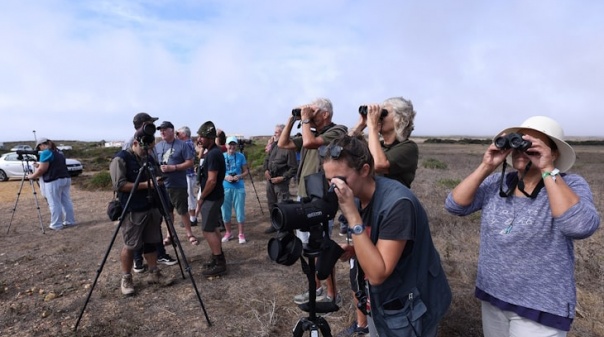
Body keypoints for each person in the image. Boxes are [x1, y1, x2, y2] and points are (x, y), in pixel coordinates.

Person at [445, 116, 600, 337]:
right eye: (518, 143)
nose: (522, 150)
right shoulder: (499, 183)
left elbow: (580, 226)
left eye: (532, 145)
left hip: (541, 305)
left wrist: (547, 168)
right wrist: (487, 165)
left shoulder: (570, 184)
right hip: (494, 296)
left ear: (554, 153)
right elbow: (455, 206)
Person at [324, 135, 451, 337]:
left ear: (365, 170)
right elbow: (378, 246)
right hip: (381, 302)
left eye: (340, 179)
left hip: (411, 306)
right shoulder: (357, 197)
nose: (334, 187)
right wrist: (357, 251)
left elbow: (377, 274)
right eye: (329, 179)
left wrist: (352, 217)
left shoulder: (397, 204)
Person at [341, 96, 419, 335]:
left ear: (400, 119)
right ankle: (364, 324)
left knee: (384, 275)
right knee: (358, 272)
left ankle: (391, 323)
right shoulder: (377, 143)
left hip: (391, 220)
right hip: (365, 215)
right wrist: (362, 124)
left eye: (384, 112)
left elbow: (380, 164)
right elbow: (345, 150)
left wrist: (373, 128)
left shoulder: (407, 148)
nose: (378, 115)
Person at [278, 97, 347, 306]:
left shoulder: (336, 131)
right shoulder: (310, 132)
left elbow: (309, 143)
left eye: (314, 111)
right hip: (304, 195)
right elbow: (283, 143)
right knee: (307, 246)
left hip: (321, 199)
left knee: (322, 246)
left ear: (325, 114)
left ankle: (332, 294)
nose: (308, 114)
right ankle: (315, 288)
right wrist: (292, 118)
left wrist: (305, 120)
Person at [110, 133, 173, 295]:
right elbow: (119, 185)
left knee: (151, 242)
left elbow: (157, 173)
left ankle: (154, 273)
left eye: (151, 149)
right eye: (146, 149)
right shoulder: (121, 159)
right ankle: (126, 277)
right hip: (132, 209)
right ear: (136, 143)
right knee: (131, 245)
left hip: (151, 207)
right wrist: (146, 184)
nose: (149, 152)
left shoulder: (149, 159)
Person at [154, 121, 197, 247]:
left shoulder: (182, 145)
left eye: (164, 129)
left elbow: (190, 162)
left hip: (178, 184)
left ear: (172, 130)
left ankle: (189, 234)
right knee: (168, 212)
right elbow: (155, 163)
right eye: (160, 130)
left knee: (183, 211)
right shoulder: (158, 146)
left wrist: (174, 167)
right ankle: (170, 235)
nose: (162, 132)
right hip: (163, 185)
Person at [196, 121, 228, 277]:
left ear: (210, 137)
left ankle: (219, 263)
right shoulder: (211, 152)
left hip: (211, 198)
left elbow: (211, 180)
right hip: (214, 197)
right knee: (214, 228)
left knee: (207, 230)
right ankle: (217, 257)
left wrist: (201, 198)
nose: (199, 139)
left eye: (202, 137)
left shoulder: (214, 154)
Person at [28, 138, 76, 230]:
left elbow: (42, 170)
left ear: (42, 145)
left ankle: (56, 224)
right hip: (65, 178)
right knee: (66, 201)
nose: (39, 150)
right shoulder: (59, 152)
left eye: (39, 147)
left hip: (54, 180)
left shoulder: (45, 153)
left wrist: (32, 176)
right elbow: (53, 165)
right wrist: (38, 165)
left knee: (54, 202)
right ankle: (70, 221)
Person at [263, 124, 298, 234]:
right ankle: (274, 224)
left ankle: (285, 229)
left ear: (283, 133)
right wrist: (265, 170)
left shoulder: (288, 148)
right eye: (275, 132)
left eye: (277, 132)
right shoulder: (274, 145)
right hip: (270, 181)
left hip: (281, 183)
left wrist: (283, 178)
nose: (274, 134)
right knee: (271, 203)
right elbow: (267, 159)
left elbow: (294, 168)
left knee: (282, 205)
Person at [219, 136, 250, 244]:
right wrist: (225, 177)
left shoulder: (241, 156)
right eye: (230, 144)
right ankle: (228, 232)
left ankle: (241, 234)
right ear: (226, 145)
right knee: (225, 211)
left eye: (234, 144)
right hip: (225, 187)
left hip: (238, 187)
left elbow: (246, 171)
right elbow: (218, 172)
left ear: (236, 145)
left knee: (240, 211)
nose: (232, 146)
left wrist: (239, 176)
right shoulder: (222, 156)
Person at [176, 126, 199, 227]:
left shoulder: (186, 144)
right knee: (189, 196)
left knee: (190, 197)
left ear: (184, 134)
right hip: (188, 174)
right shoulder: (189, 143)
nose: (177, 135)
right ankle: (192, 218)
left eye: (179, 133)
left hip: (188, 174)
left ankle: (193, 218)